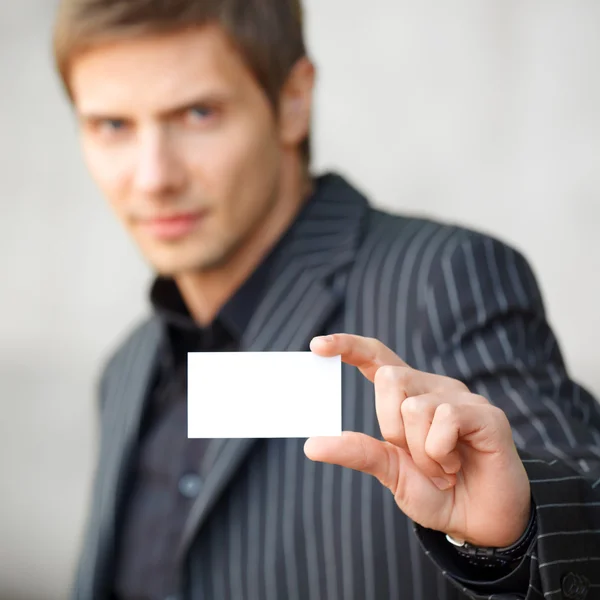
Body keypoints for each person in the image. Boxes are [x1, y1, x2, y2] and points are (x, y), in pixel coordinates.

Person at [52, 0, 600, 598]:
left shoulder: (438, 281)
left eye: (199, 113)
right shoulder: (126, 371)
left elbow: (581, 511)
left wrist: (514, 538)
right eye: (112, 126)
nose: (154, 176)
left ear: (292, 101)